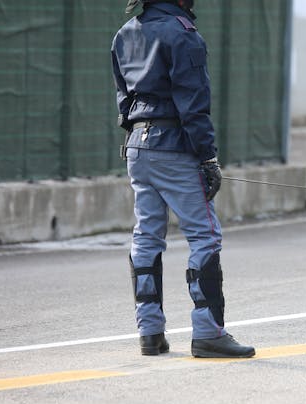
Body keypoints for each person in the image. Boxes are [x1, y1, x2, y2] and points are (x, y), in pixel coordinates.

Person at [111, 0, 255, 358]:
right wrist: (207, 156)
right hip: (173, 146)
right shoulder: (183, 34)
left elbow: (123, 98)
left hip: (136, 146)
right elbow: (193, 102)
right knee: (204, 236)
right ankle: (208, 332)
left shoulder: (125, 34)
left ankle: (150, 333)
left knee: (146, 236)